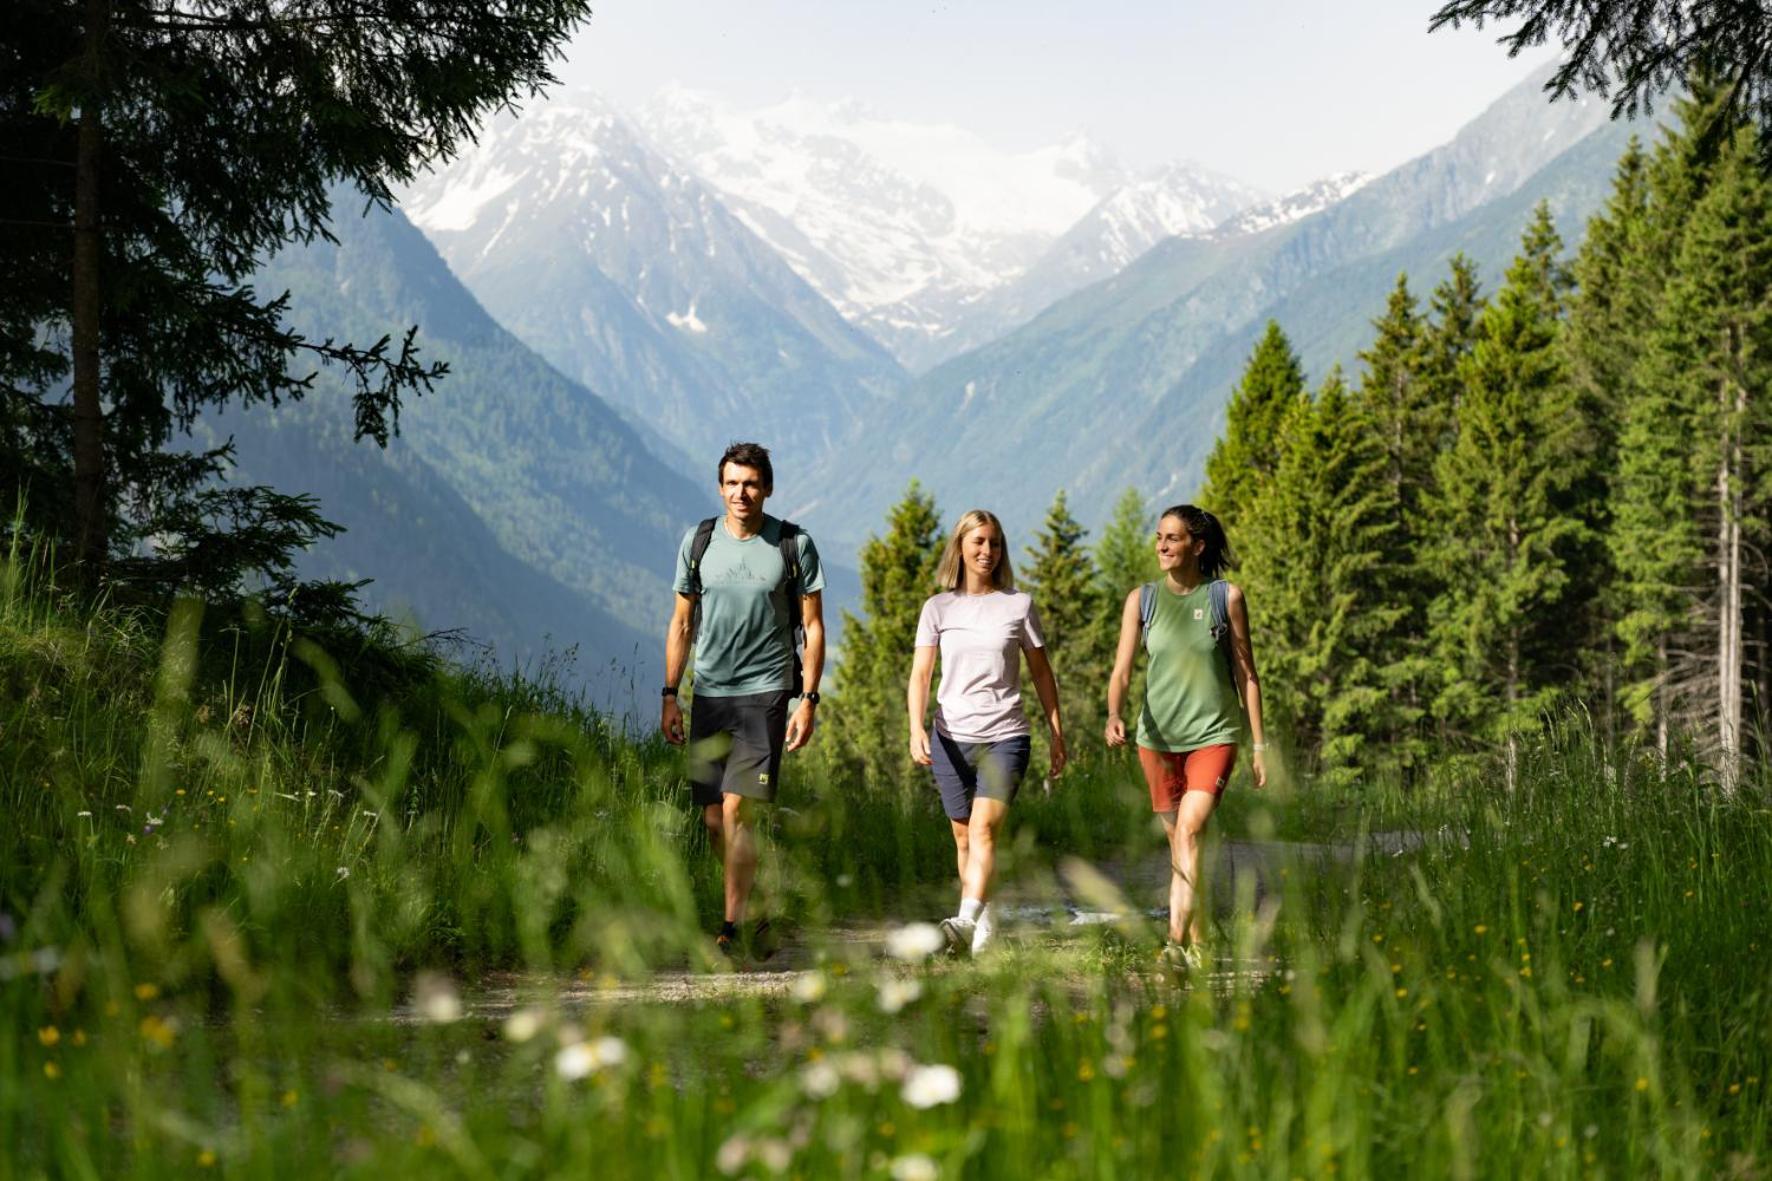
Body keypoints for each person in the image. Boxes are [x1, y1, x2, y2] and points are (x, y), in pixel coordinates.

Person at [662, 442, 825, 959]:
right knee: (713, 817)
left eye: (751, 483)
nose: (741, 493)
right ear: (720, 487)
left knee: (737, 809)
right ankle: (752, 904)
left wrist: (809, 700)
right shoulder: (699, 541)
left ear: (768, 488)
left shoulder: (792, 544)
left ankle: (730, 927)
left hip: (767, 692)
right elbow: (682, 622)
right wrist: (671, 694)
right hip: (709, 691)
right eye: (732, 483)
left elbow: (815, 627)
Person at [1104, 504, 1266, 972]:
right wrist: (1114, 713)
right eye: (1159, 537)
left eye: (1172, 538)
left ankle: (1173, 945)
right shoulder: (1143, 600)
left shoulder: (1225, 598)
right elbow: (1121, 669)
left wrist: (1259, 746)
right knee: (1183, 846)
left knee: (1190, 833)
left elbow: (1247, 675)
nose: (1161, 545)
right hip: (1156, 741)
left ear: (1197, 545)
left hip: (1213, 736)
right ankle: (1201, 947)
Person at [907, 509, 1065, 956]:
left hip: (1006, 735)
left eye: (994, 543)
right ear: (960, 546)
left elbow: (1041, 673)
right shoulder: (937, 608)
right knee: (963, 837)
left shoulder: (1019, 605)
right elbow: (921, 674)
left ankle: (963, 921)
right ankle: (983, 921)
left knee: (984, 831)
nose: (987, 552)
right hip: (950, 737)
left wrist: (1057, 731)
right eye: (978, 542)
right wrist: (915, 726)